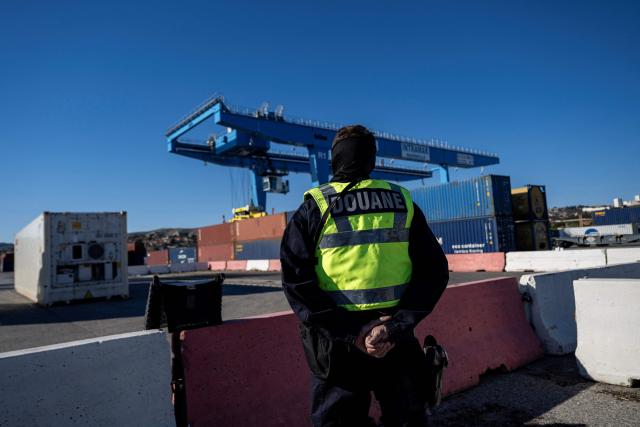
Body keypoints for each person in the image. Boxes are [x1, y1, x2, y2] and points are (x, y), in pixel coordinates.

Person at [280, 125, 449, 427]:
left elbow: (297, 284)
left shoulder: (314, 208)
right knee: (408, 419)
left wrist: (353, 332)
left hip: (337, 348)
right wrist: (395, 326)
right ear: (372, 161)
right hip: (394, 339)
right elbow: (434, 271)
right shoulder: (403, 202)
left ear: (333, 161)